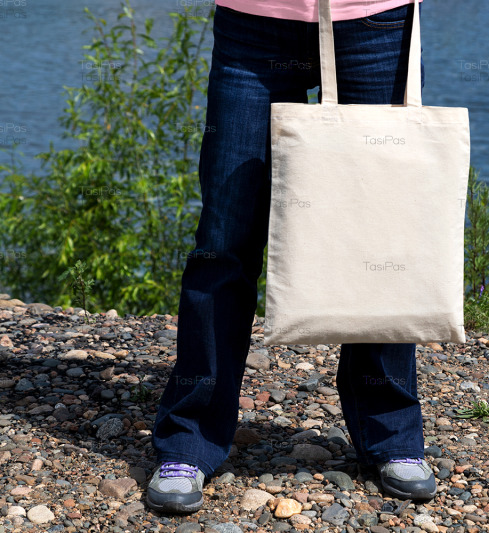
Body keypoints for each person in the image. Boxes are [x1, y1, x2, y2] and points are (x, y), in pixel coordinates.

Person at [145, 0, 435, 514]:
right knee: (224, 241)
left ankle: (391, 433)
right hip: (252, 21)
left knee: (381, 236)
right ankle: (189, 438)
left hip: (376, 22)